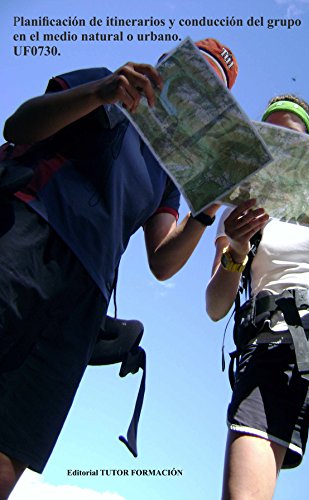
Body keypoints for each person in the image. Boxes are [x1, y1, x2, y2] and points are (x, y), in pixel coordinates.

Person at [0, 38, 238, 498]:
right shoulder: (108, 84)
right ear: (167, 68)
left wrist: (204, 214)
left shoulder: (172, 171)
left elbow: (162, 261)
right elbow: (19, 126)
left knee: (14, 445)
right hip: (24, 235)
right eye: (193, 75)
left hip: (83, 298)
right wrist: (100, 93)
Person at [205, 94, 309, 499]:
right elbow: (215, 307)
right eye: (271, 136)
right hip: (268, 346)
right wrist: (236, 247)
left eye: (294, 138)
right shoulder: (239, 213)